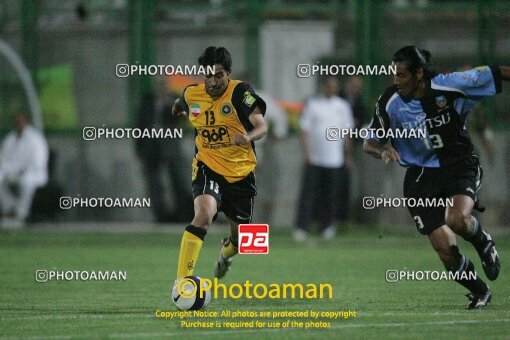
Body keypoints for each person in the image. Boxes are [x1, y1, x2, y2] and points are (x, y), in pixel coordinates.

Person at [363, 46, 509, 309]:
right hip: (420, 177)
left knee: (457, 219)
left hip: (458, 165)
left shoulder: (450, 86)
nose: (396, 81)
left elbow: (496, 73)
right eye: (393, 74)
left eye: (402, 75)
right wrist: (383, 149)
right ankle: (480, 291)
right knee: (445, 251)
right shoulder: (390, 100)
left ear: (419, 74)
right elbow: (369, 141)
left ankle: (483, 241)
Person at [171, 47, 267, 282]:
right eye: (208, 75)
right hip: (208, 168)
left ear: (229, 74)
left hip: (241, 174)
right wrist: (177, 109)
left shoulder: (240, 93)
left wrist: (248, 137)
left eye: (219, 75)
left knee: (242, 242)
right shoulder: (193, 94)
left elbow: (262, 126)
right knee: (203, 216)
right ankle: (182, 282)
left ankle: (226, 253)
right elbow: (181, 102)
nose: (213, 82)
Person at [294, 76, 353, 241]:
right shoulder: (313, 104)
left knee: (330, 195)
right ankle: (302, 227)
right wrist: (306, 154)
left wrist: (348, 155)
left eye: (334, 86)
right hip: (315, 158)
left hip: (334, 159)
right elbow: (304, 130)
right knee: (309, 194)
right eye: (328, 86)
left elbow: (346, 133)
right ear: (323, 86)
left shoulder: (342, 106)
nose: (331, 89)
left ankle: (326, 226)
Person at [135, 75, 193, 223]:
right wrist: (139, 147)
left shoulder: (174, 99)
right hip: (151, 146)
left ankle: (181, 213)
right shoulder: (148, 100)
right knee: (154, 182)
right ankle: (159, 214)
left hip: (170, 146)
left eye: (164, 83)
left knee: (177, 180)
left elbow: (183, 118)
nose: (162, 86)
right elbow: (140, 123)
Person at [0, 112, 49, 228]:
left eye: (21, 121)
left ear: (26, 122)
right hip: (12, 172)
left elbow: (38, 161)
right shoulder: (10, 139)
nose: (18, 123)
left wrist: (22, 170)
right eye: (16, 121)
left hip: (33, 173)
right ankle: (9, 207)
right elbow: (4, 159)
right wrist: (8, 171)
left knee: (26, 181)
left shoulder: (35, 139)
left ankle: (21, 214)